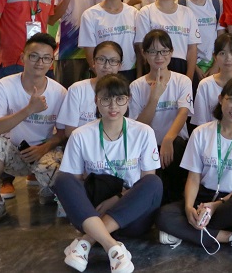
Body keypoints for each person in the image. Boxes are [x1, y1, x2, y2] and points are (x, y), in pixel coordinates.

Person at [54, 74, 162, 273]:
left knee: (154, 182)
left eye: (120, 99)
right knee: (62, 179)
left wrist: (118, 198)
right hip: (94, 211)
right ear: (96, 101)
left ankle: (87, 241)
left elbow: (147, 178)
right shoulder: (81, 135)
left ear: (128, 100)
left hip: (131, 215)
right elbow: (74, 183)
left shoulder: (143, 132)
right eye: (106, 99)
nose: (113, 106)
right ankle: (113, 248)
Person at [157, 78, 232, 254]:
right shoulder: (201, 132)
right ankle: (230, 237)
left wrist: (215, 206)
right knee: (164, 215)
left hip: (230, 202)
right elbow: (193, 178)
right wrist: (189, 207)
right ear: (221, 99)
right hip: (203, 197)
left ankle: (187, 232)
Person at [0, 33, 67, 228]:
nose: (39, 62)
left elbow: (62, 133)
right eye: (33, 56)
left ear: (51, 62)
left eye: (46, 58)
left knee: (58, 176)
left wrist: (44, 148)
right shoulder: (2, 86)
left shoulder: (60, 92)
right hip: (12, 153)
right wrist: (28, 110)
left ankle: (47, 188)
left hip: (43, 152)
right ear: (22, 57)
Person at [129, 30, 193, 204]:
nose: (159, 56)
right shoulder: (136, 86)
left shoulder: (182, 81)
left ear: (171, 52)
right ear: (144, 54)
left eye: (164, 51)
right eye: (153, 51)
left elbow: (183, 112)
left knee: (177, 147)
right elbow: (138, 126)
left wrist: (168, 139)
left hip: (174, 144)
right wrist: (154, 97)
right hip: (148, 147)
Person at [135, 0, 200, 80]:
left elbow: (192, 49)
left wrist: (189, 78)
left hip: (182, 68)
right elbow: (141, 46)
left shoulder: (187, 13)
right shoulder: (146, 12)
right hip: (154, 66)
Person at [79, 0, 137, 83]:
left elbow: (138, 49)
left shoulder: (134, 13)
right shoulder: (90, 15)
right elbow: (90, 52)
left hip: (130, 72)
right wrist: (101, 76)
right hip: (103, 74)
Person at [57, 41, 123, 137]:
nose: (107, 66)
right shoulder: (77, 89)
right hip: (82, 144)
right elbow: (69, 131)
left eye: (113, 61)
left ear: (120, 65)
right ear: (93, 62)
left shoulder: (124, 92)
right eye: (101, 59)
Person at [180, 0, 224, 84]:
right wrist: (194, 67)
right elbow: (182, 40)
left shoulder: (216, 1)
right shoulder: (181, 4)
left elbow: (221, 35)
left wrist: (216, 65)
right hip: (190, 65)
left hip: (214, 63)